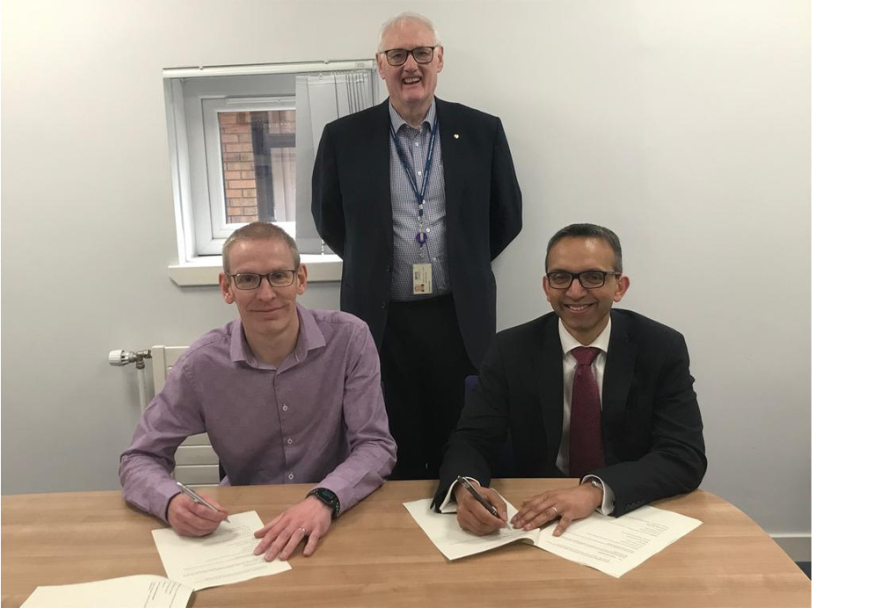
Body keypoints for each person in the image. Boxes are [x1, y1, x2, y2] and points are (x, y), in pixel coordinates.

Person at [312, 12, 523, 480]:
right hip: (382, 320)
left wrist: (464, 261)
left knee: (463, 436)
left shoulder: (482, 131)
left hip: (458, 316)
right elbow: (328, 218)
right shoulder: (343, 137)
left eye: (421, 53)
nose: (411, 65)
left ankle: (460, 516)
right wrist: (376, 261)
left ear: (439, 59)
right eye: (397, 55)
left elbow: (507, 215)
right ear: (380, 65)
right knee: (388, 443)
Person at [120, 222, 396, 561]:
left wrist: (325, 499)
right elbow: (139, 458)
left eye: (279, 276)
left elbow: (376, 445)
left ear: (301, 279)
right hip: (245, 530)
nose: (266, 294)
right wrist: (171, 501)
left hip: (337, 514)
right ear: (227, 288)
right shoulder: (201, 364)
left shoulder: (350, 340)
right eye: (248, 279)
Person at [432, 223, 707, 537]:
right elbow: (472, 439)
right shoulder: (511, 349)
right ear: (547, 287)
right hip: (536, 516)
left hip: (628, 515)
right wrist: (466, 489)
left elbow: (683, 455)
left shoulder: (661, 348)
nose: (575, 291)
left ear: (620, 286)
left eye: (593, 277)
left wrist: (593, 491)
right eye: (561, 277)